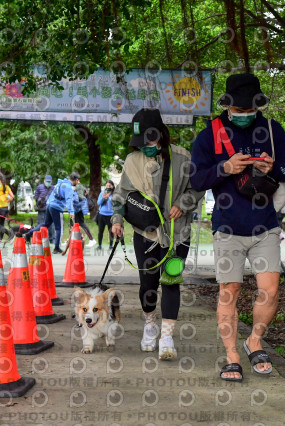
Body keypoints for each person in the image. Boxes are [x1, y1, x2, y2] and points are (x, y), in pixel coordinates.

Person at [190, 73, 285, 381]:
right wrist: (225, 167)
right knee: (230, 290)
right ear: (227, 106)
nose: (244, 116)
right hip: (227, 227)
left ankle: (254, 340)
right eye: (238, 111)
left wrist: (271, 166)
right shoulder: (209, 134)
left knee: (270, 290)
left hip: (265, 225)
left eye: (248, 110)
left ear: (257, 106)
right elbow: (196, 179)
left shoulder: (272, 129)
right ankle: (232, 356)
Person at [111, 108, 202, 361]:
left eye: (150, 142)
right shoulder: (132, 160)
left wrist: (182, 204)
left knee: (171, 282)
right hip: (145, 235)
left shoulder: (184, 158)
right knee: (148, 285)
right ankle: (150, 324)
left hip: (177, 234)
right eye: (142, 144)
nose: (146, 147)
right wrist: (117, 219)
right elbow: (121, 194)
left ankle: (167, 337)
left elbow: (198, 189)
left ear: (161, 134)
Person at [26, 171, 76, 254]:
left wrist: (49, 204)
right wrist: (71, 211)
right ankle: (56, 247)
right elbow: (69, 200)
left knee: (46, 224)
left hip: (49, 206)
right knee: (59, 228)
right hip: (57, 207)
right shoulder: (68, 187)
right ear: (76, 180)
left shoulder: (59, 184)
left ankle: (29, 233)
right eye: (78, 181)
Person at [70, 173, 96, 248]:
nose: (71, 182)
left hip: (79, 209)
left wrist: (73, 194)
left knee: (81, 224)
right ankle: (71, 240)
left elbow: (80, 198)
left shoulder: (79, 187)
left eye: (72, 180)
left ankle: (91, 239)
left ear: (77, 180)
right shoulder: (78, 187)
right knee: (73, 224)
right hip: (77, 209)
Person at [34, 175, 56, 243]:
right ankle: (39, 239)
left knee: (51, 225)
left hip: (50, 209)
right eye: (47, 181)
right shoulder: (39, 187)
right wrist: (39, 201)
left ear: (51, 182)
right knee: (40, 224)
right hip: (41, 209)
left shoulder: (53, 188)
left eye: (49, 182)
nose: (48, 183)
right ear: (44, 180)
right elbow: (36, 196)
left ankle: (52, 239)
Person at [96, 180, 115, 251]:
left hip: (111, 215)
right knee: (100, 230)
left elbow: (114, 204)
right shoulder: (102, 193)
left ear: (113, 186)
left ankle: (111, 245)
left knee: (111, 231)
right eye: (107, 186)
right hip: (102, 215)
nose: (108, 187)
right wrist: (104, 197)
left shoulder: (114, 194)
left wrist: (109, 198)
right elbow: (98, 203)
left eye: (110, 186)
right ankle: (99, 245)